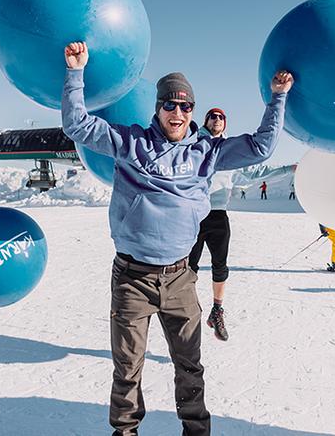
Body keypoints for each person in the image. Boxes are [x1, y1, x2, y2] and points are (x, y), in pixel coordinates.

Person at [62, 41, 293, 435]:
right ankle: (125, 431)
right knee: (127, 368)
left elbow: (261, 146)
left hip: (180, 278)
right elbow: (78, 126)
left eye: (186, 106)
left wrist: (278, 97)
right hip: (133, 278)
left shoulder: (207, 151)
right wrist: (75, 72)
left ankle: (195, 430)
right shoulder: (131, 142)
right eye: (170, 104)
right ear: (158, 108)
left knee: (190, 365)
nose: (178, 112)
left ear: (192, 111)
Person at [188, 108, 233, 342]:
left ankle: (217, 311)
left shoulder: (230, 150)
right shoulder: (194, 143)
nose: (216, 119)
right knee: (189, 267)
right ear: (206, 121)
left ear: (225, 123)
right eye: (212, 116)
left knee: (220, 266)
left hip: (218, 216)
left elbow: (252, 174)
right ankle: (187, 310)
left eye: (220, 117)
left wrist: (288, 170)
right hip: (195, 214)